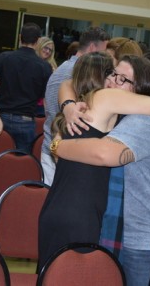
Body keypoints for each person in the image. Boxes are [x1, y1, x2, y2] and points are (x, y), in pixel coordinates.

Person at [49, 54, 150, 286]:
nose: (113, 81)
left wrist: (57, 145)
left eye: (124, 79)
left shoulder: (142, 121)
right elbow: (69, 83)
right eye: (113, 74)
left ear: (140, 88)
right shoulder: (118, 114)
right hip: (132, 225)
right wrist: (68, 106)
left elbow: (105, 154)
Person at [41, 26, 110, 186]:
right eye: (104, 50)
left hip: (55, 146)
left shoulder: (63, 68)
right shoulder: (75, 73)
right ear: (92, 48)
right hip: (60, 150)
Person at [0, 22, 52, 153]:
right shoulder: (44, 67)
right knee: (21, 165)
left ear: (20, 37)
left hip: (0, 117)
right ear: (38, 41)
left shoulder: (3, 58)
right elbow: (45, 100)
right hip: (26, 121)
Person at [36, 36, 57, 116]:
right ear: (39, 46)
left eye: (50, 50)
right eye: (45, 48)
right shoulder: (31, 62)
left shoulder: (52, 66)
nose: (47, 51)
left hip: (44, 105)